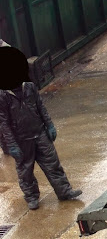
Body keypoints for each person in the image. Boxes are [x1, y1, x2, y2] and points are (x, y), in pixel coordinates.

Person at [0, 46, 82, 210]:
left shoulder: (29, 87)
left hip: (40, 133)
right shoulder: (3, 95)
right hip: (21, 140)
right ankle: (32, 197)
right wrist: (12, 145)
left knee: (53, 164)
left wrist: (49, 125)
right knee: (26, 172)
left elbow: (40, 107)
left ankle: (64, 191)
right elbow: (3, 123)